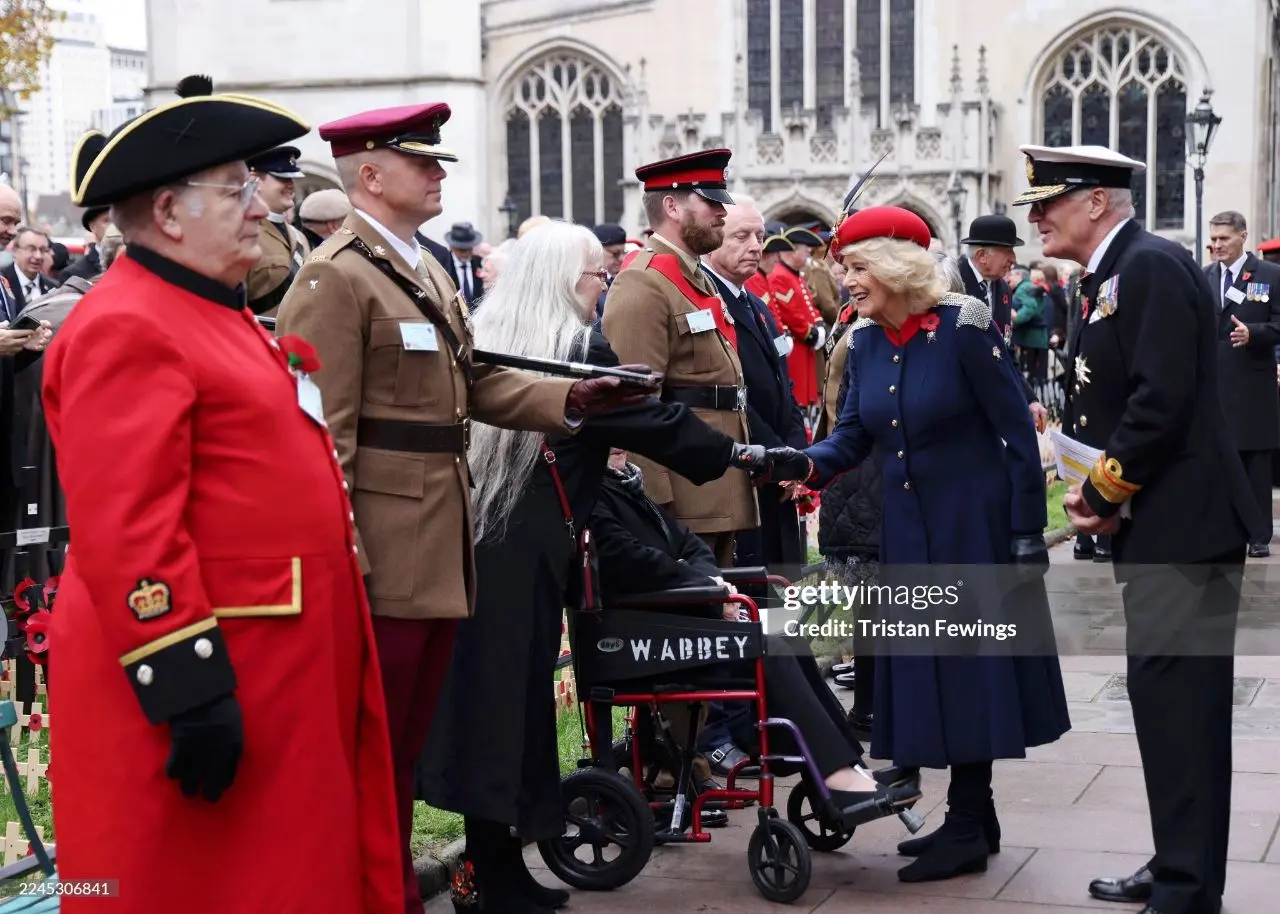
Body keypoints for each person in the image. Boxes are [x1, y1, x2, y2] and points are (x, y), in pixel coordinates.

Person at [273, 101, 653, 914]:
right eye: (421, 161)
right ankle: (368, 892)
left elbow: (475, 383)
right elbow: (319, 438)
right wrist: (339, 556)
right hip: (381, 549)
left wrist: (574, 398)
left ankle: (385, 888)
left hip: (441, 537)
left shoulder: (428, 266)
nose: (439, 172)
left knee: (405, 744)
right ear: (370, 175)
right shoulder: (333, 277)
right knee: (373, 747)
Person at [41, 77, 403, 913]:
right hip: (220, 672)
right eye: (236, 187)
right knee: (192, 883)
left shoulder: (211, 311)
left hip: (278, 667)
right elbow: (126, 525)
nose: (260, 204)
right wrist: (186, 684)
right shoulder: (127, 323)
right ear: (168, 212)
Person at [416, 220, 760, 914]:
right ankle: (489, 878)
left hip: (496, 545)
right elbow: (651, 423)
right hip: (525, 556)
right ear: (567, 282)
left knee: (502, 714)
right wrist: (740, 457)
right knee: (505, 716)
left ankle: (498, 870)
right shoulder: (577, 348)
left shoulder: (512, 333)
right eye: (598, 276)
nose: (604, 286)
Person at [759, 205, 1071, 884]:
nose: (845, 280)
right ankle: (975, 819)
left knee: (968, 674)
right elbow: (853, 436)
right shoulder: (866, 341)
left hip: (972, 531)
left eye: (857, 266)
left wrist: (1024, 533)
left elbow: (1018, 435)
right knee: (929, 668)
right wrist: (801, 464)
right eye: (843, 268)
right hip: (906, 533)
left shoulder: (965, 327)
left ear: (896, 266)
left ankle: (966, 822)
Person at [1019, 144, 1258, 914]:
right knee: (1164, 703)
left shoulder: (1146, 265)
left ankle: (1190, 886)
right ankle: (1177, 861)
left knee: (1181, 703)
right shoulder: (1121, 271)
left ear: (1096, 202)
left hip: (1181, 522)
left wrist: (1101, 487)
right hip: (1163, 521)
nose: (1036, 218)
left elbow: (1163, 398)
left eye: (1048, 202)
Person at [591, 447, 921, 818]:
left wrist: (708, 580)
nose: (617, 443)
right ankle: (835, 775)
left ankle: (838, 769)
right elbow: (632, 561)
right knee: (768, 646)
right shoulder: (594, 497)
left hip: (676, 619)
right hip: (644, 639)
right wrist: (709, 589)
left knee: (785, 635)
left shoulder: (628, 485)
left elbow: (689, 544)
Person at [601, 148, 759, 567]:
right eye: (711, 203)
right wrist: (654, 503)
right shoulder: (643, 283)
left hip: (716, 482)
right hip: (684, 498)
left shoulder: (694, 276)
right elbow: (633, 407)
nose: (722, 214)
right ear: (671, 205)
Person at [1205, 210, 1280, 557]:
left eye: (1224, 238)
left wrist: (1256, 333)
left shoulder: (1270, 275)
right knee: (1218, 460)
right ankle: (1224, 529)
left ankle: (1259, 534)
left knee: (1254, 462)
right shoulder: (1203, 276)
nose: (1217, 245)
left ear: (1242, 236)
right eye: (1214, 239)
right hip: (1213, 385)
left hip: (1252, 385)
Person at [958, 214, 1049, 432]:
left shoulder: (1003, 290)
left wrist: (1029, 398)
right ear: (982, 255)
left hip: (990, 410)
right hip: (956, 411)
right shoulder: (952, 283)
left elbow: (1004, 351)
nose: (1014, 259)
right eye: (1007, 251)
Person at [244, 144, 310, 315]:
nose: (291, 185)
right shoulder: (243, 234)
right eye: (282, 178)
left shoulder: (299, 238)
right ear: (255, 179)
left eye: (292, 179)